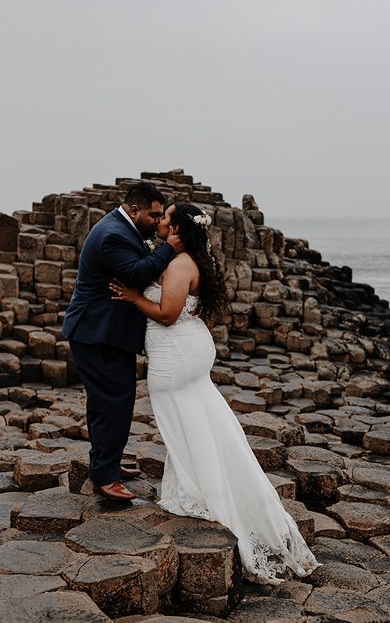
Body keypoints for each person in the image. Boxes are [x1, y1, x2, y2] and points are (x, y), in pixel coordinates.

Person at [108, 202, 319, 584]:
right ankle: (198, 485)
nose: (160, 222)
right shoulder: (195, 258)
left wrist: (132, 296)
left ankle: (206, 494)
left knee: (181, 423)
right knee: (203, 422)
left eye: (166, 218)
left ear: (177, 229)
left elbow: (168, 313)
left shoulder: (177, 264)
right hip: (192, 348)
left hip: (175, 352)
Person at [63, 182, 185, 501]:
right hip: (97, 333)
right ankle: (105, 476)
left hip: (106, 334)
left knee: (115, 401)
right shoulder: (113, 234)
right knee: (110, 404)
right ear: (134, 210)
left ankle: (109, 465)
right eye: (154, 215)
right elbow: (136, 273)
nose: (159, 222)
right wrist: (170, 247)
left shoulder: (122, 228)